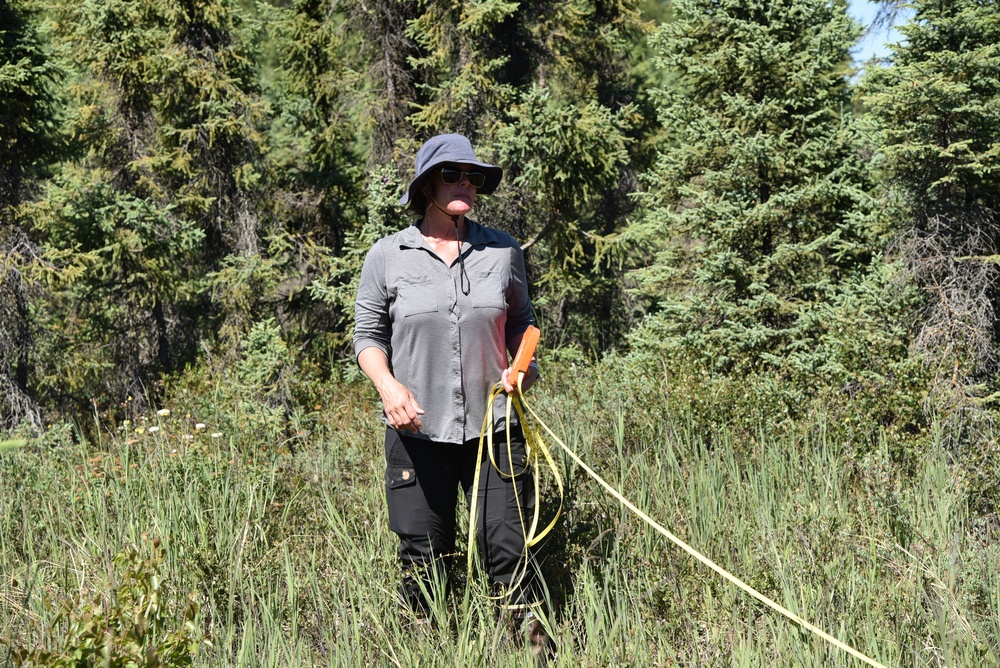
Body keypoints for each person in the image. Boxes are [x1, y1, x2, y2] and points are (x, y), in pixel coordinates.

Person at [353, 134, 552, 658]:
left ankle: (531, 654)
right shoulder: (387, 256)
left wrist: (522, 365)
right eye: (453, 175)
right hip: (416, 430)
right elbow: (367, 337)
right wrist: (388, 386)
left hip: (496, 429)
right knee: (423, 555)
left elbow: (523, 323)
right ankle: (427, 651)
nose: (466, 183)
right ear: (426, 186)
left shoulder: (502, 250)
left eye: (474, 176)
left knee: (508, 548)